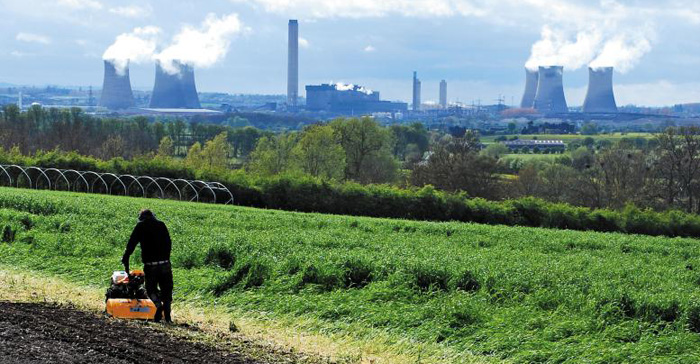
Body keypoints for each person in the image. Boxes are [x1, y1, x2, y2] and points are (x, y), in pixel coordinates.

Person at [122, 209, 173, 323]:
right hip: (165, 263)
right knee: (167, 290)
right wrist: (166, 258)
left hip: (151, 265)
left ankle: (158, 305)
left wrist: (126, 257)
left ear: (141, 218)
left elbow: (131, 244)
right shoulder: (161, 225)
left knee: (150, 289)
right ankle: (168, 318)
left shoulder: (140, 226)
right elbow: (169, 243)